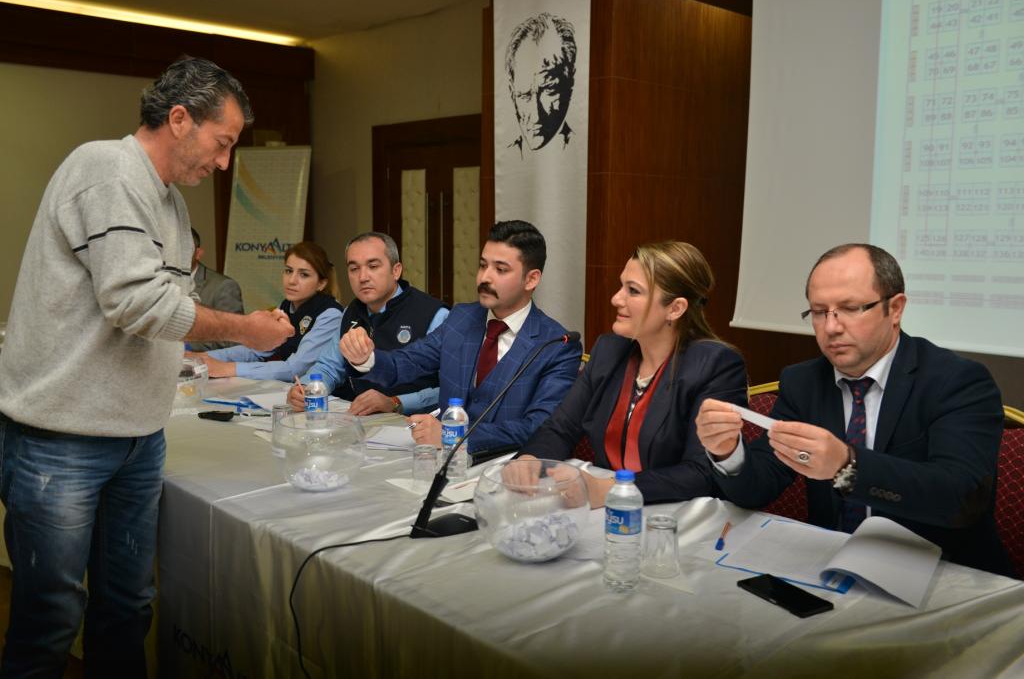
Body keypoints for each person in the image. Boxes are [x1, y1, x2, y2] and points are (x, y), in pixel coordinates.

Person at [0, 57, 295, 676]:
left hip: (138, 437)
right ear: (179, 119)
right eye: (222, 143)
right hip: (63, 439)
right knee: (50, 620)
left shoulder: (171, 204)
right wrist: (246, 330)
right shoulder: (106, 169)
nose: (224, 163)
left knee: (128, 609)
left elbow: (165, 315)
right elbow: (137, 304)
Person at [696, 244, 1015, 577]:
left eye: (849, 309)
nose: (831, 327)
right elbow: (758, 488)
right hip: (833, 568)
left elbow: (961, 498)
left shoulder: (956, 380)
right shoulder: (804, 382)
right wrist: (728, 452)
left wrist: (847, 465)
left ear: (895, 309)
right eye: (819, 312)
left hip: (942, 573)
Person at [512, 242, 748, 507]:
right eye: (621, 286)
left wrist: (609, 489)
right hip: (603, 510)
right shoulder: (609, 350)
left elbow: (700, 472)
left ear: (675, 308)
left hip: (673, 514)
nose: (616, 298)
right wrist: (531, 459)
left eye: (633, 290)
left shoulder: (716, 365)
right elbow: (560, 428)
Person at [335, 221, 581, 454]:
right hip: (440, 460)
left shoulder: (556, 344)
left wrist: (452, 435)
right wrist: (365, 358)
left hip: (505, 465)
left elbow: (538, 426)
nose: (484, 278)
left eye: (500, 269)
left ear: (531, 279)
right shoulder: (462, 318)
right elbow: (407, 362)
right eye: (483, 265)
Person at [286, 232, 448, 415]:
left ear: (396, 271)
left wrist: (397, 402)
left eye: (373, 266)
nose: (362, 277)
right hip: (361, 419)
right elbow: (330, 367)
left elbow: (452, 389)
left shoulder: (435, 315)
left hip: (417, 422)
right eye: (354, 269)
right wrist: (307, 388)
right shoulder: (351, 311)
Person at [192, 241, 344, 381]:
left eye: (303, 275)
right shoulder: (287, 305)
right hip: (291, 390)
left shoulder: (330, 314)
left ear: (321, 284)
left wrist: (228, 368)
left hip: (321, 394)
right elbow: (258, 350)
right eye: (288, 271)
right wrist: (200, 357)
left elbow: (294, 369)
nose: (292, 280)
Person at [505, 12, 577, 155]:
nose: (536, 116)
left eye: (549, 90)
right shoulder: (506, 154)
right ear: (512, 92)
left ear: (570, 82)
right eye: (523, 95)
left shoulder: (580, 148)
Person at [187, 227, 244, 351]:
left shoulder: (224, 286)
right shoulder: (160, 280)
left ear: (198, 253)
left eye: (184, 249)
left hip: (203, 361)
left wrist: (181, 345)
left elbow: (231, 341)